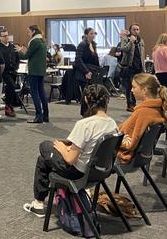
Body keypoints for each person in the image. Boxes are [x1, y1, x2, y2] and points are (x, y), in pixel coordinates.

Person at [23, 85, 117, 217]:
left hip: (78, 172)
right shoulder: (112, 124)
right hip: (99, 171)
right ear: (107, 100)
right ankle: (43, 201)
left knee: (45, 147)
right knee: (45, 158)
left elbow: (70, 159)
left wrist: (62, 148)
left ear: (85, 100)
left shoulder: (85, 124)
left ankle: (38, 203)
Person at [117, 73, 167, 164]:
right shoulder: (158, 109)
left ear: (144, 90)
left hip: (130, 156)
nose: (132, 90)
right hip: (143, 154)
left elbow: (130, 142)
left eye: (134, 87)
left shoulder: (143, 113)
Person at [20, 25, 49, 123]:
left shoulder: (34, 41)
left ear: (33, 31)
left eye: (29, 32)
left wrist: (19, 51)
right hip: (41, 71)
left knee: (35, 93)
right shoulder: (42, 41)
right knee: (42, 93)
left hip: (34, 71)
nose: (28, 34)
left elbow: (26, 56)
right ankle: (45, 115)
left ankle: (38, 116)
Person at [119, 24, 146, 112]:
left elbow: (142, 54)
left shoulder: (141, 40)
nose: (136, 31)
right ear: (130, 30)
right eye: (134, 29)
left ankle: (134, 104)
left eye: (137, 29)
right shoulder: (125, 39)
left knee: (137, 86)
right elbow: (124, 49)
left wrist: (143, 67)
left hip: (138, 66)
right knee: (130, 86)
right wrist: (131, 42)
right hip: (129, 66)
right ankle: (130, 104)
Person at [75, 28, 100, 117]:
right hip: (84, 73)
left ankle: (89, 112)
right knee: (86, 94)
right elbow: (78, 59)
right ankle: (85, 113)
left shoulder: (93, 44)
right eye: (91, 33)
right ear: (86, 35)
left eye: (94, 34)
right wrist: (86, 71)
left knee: (91, 94)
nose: (93, 35)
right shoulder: (82, 45)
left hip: (92, 72)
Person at [0, 29, 19, 117]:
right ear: (0, 37)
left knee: (12, 88)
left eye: (7, 35)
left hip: (13, 71)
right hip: (4, 71)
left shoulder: (12, 46)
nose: (6, 37)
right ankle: (8, 106)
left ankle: (9, 106)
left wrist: (16, 67)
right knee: (11, 86)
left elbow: (17, 58)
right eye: (4, 36)